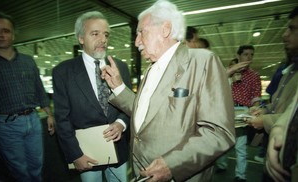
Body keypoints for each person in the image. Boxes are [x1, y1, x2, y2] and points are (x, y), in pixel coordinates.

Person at [102, 0, 235, 181]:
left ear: (165, 29)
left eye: (141, 32)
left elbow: (219, 132)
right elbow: (148, 116)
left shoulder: (202, 61)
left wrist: (172, 165)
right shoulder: (149, 70)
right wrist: (118, 87)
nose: (136, 42)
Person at [52, 11, 132, 182]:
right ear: (81, 38)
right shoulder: (63, 72)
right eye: (95, 34)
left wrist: (121, 123)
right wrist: (75, 155)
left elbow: (130, 104)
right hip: (86, 153)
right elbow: (62, 119)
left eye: (106, 34)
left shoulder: (120, 67)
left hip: (118, 149)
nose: (102, 39)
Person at [0, 12, 55, 182]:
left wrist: (49, 114)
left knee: (37, 167)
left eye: (6, 30)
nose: (1, 34)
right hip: (6, 126)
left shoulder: (28, 61)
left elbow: (39, 90)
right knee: (19, 171)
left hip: (33, 121)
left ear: (13, 34)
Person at [262, 6, 298, 182]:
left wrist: (266, 120)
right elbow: (289, 106)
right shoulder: (288, 68)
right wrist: (279, 126)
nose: (285, 35)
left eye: (292, 28)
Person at [223, 45, 262, 182]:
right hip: (227, 111)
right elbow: (217, 90)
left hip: (243, 112)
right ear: (238, 56)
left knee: (241, 146)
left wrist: (255, 109)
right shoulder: (227, 72)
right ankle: (221, 164)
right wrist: (229, 79)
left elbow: (256, 95)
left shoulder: (254, 75)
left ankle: (241, 176)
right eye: (245, 54)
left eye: (251, 54)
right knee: (223, 141)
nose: (249, 57)